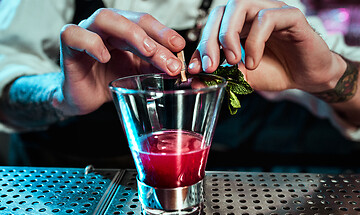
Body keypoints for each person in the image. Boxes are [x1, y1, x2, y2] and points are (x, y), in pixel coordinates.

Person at [0, 0, 359, 170]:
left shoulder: (258, 5)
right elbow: (5, 89)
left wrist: (329, 75)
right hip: (64, 187)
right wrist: (59, 93)